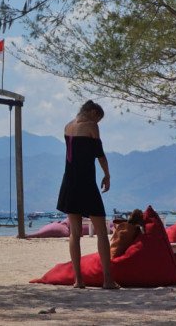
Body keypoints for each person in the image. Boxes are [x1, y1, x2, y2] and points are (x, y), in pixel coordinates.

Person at [56, 100, 119, 289]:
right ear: (92, 113)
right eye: (98, 119)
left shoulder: (67, 126)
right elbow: (99, 154)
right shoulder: (91, 126)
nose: (98, 123)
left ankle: (78, 280)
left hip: (68, 182)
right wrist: (107, 175)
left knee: (74, 234)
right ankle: (107, 280)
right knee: (101, 231)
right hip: (86, 182)